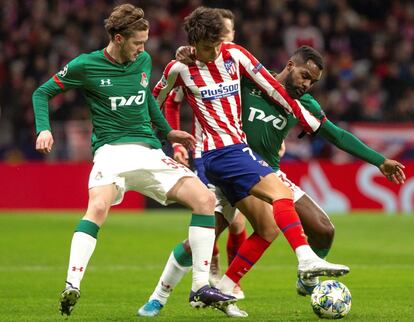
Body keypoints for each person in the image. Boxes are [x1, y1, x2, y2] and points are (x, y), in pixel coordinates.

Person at [139, 41, 406, 317]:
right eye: (305, 76)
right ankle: (158, 296)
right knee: (200, 240)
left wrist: (379, 161)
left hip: (266, 172)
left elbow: (336, 135)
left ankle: (294, 277)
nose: (307, 85)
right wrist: (190, 52)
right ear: (290, 65)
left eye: (313, 82)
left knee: (323, 228)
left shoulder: (305, 104)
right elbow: (210, 69)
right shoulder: (247, 77)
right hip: (229, 167)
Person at [32, 4, 235, 317]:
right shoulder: (86, 65)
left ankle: (199, 287)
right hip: (111, 152)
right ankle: (72, 284)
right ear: (117, 38)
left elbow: (147, 103)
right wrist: (44, 129)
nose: (144, 48)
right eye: (138, 42)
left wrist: (168, 133)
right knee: (97, 207)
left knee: (205, 200)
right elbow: (41, 93)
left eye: (145, 42)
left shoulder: (143, 60)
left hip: (149, 152)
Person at [162, 8, 248, 297]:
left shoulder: (238, 60)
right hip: (206, 150)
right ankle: (210, 272)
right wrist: (175, 143)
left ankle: (225, 277)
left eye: (228, 33)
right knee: (218, 214)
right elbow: (170, 101)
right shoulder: (189, 65)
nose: (223, 39)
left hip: (241, 145)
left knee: (238, 222)